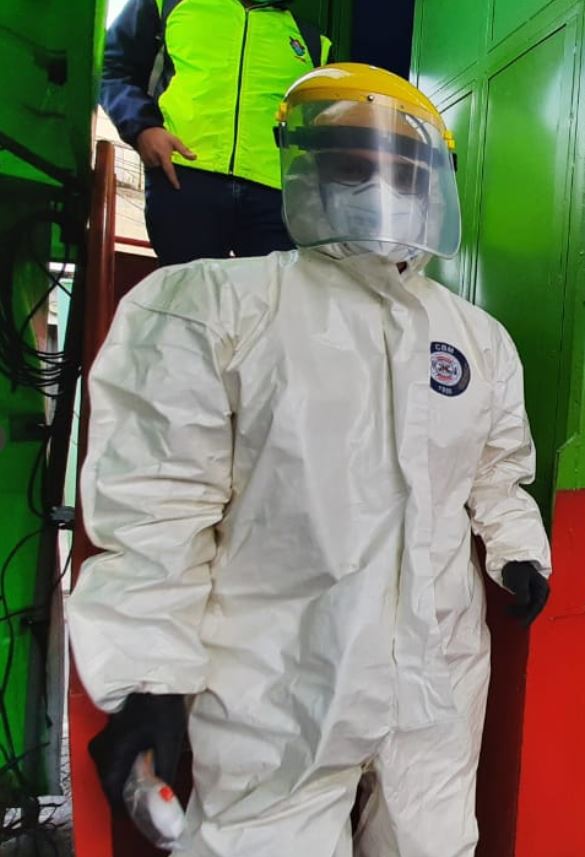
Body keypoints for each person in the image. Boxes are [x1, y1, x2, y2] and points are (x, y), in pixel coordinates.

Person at [68, 64, 552, 856]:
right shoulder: (215, 306)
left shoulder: (474, 338)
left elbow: (498, 467)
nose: (376, 182)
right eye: (352, 161)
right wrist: (149, 674)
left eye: (398, 165)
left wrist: (518, 548)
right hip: (280, 680)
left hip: (438, 670)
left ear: (433, 181)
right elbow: (156, 504)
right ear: (304, 169)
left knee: (431, 840)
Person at [100, 0, 331, 265]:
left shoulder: (314, 41)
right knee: (187, 298)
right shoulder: (168, 5)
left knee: (269, 302)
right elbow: (111, 68)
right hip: (185, 178)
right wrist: (143, 128)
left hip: (274, 197)